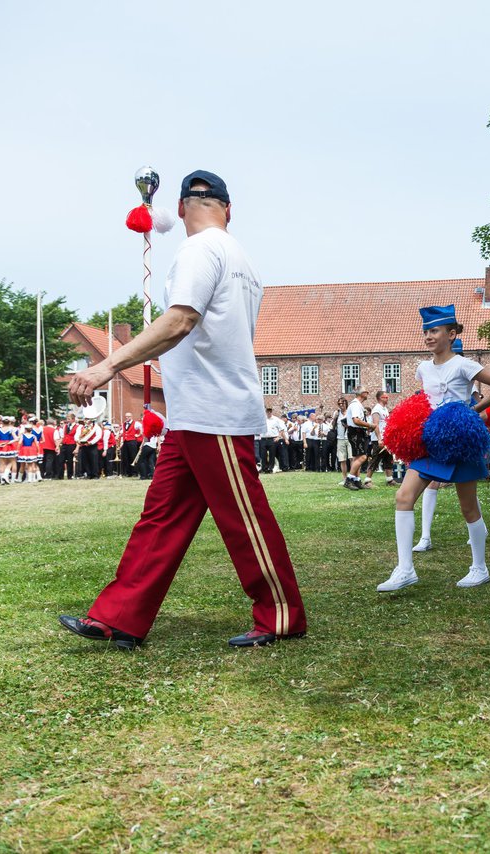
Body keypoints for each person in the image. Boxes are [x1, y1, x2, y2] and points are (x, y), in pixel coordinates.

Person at [59, 168, 307, 648]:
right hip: (197, 410)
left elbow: (180, 319)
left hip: (212, 408)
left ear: (178, 209)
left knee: (244, 518)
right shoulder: (242, 258)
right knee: (162, 517)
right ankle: (120, 617)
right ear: (228, 209)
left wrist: (105, 366)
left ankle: (282, 615)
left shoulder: (198, 249)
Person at [376, 304, 490, 591]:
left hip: (459, 441)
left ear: (451, 334)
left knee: (468, 507)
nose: (428, 336)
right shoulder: (423, 368)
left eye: (434, 330)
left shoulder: (463, 364)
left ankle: (480, 567)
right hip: (430, 441)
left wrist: (473, 410)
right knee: (403, 496)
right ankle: (405, 568)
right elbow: (427, 399)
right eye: (426, 331)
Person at [367, 391, 396, 487]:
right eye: (385, 397)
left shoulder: (385, 409)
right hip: (378, 439)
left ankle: (389, 479)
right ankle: (367, 480)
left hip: (386, 438)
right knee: (375, 459)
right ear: (380, 398)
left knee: (388, 459)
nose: (387, 398)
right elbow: (375, 425)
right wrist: (379, 439)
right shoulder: (376, 409)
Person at [345, 390, 373, 489]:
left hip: (358, 432)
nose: (368, 393)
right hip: (356, 432)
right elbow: (356, 420)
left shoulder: (357, 404)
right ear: (360, 393)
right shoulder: (355, 405)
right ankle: (349, 479)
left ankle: (356, 480)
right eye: (366, 391)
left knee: (357, 457)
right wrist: (369, 425)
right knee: (362, 457)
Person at [120, 412, 142, 477]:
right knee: (126, 457)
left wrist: (138, 434)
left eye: (128, 416)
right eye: (126, 416)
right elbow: (123, 431)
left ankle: (135, 472)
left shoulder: (136, 423)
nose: (127, 418)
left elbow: (141, 428)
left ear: (131, 416)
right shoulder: (124, 424)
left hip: (132, 441)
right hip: (125, 441)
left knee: (133, 456)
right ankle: (128, 472)